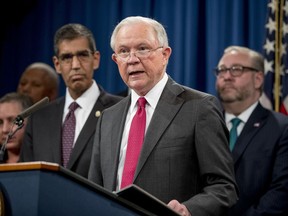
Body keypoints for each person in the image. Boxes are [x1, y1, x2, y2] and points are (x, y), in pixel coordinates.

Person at [88, 16, 238, 216]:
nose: (132, 59)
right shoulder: (108, 117)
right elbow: (93, 190)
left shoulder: (199, 107)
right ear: (116, 60)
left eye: (142, 48)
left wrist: (188, 210)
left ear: (165, 54)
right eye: (123, 51)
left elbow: (223, 187)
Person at [19, 23, 123, 178]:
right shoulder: (38, 118)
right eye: (67, 57)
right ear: (57, 64)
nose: (75, 65)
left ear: (96, 59)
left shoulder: (120, 109)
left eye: (82, 55)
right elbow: (26, 178)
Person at [215, 45, 288, 216]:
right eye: (221, 70)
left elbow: (282, 191)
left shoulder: (282, 129)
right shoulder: (203, 124)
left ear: (258, 79)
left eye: (236, 70)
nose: (226, 76)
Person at [0, 92, 33, 163]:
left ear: (30, 121)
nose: (4, 130)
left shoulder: (42, 163)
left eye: (13, 121)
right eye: (0, 122)